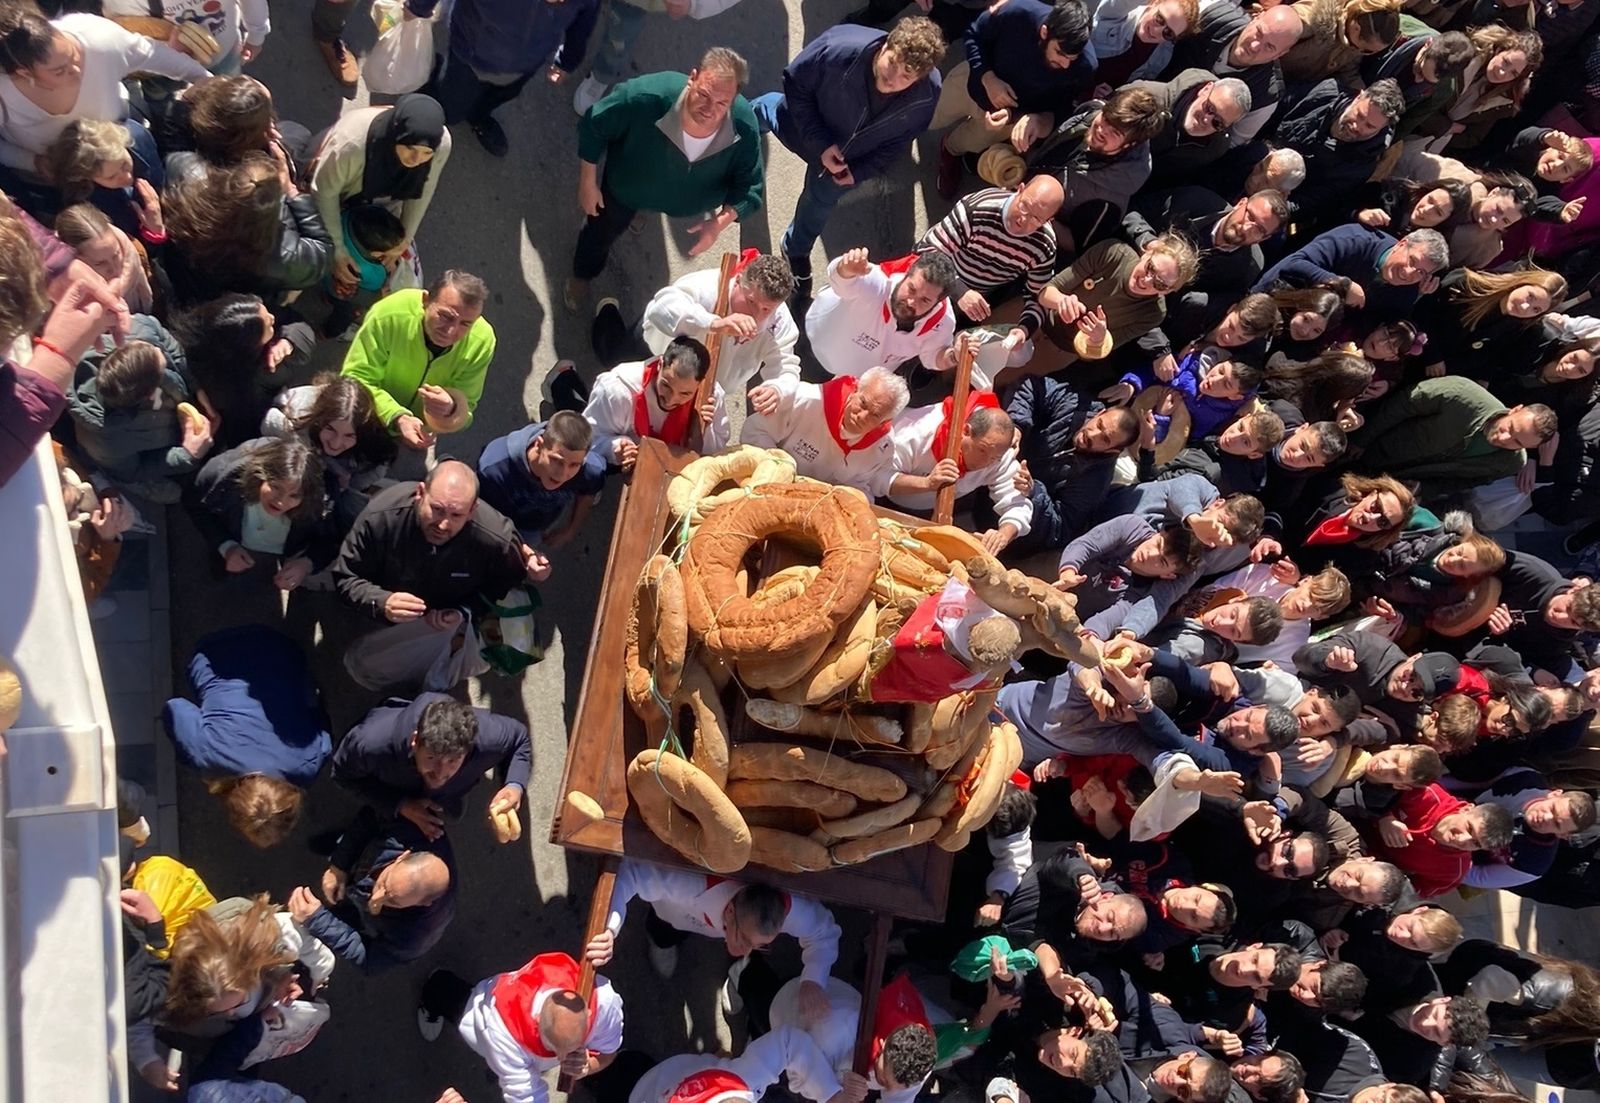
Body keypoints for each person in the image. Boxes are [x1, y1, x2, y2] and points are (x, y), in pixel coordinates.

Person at [754, 18, 944, 294]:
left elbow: (899, 142)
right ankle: (743, 120)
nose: (893, 79)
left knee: (819, 204)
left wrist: (860, 171)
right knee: (769, 111)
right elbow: (795, 84)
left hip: (845, 163)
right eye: (892, 63)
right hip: (803, 128)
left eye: (906, 76)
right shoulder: (837, 48)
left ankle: (795, 248)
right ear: (886, 44)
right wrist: (821, 144)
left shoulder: (927, 95)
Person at [568, 48, 763, 309]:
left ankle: (644, 209)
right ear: (692, 77)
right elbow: (595, 125)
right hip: (625, 189)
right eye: (703, 95)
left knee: (645, 205)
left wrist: (718, 223)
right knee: (599, 234)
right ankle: (582, 274)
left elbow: (750, 185)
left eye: (721, 104)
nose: (709, 109)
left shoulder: (744, 126)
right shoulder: (646, 96)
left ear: (734, 100)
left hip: (681, 202)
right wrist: (587, 182)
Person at [331, 461, 551, 685]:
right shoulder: (380, 518)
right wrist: (381, 602)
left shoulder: (497, 540)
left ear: (472, 510)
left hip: (450, 615)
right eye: (437, 509)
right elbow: (345, 577)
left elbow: (505, 586)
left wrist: (463, 612)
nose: (443, 525)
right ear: (420, 493)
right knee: (370, 664)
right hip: (388, 606)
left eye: (456, 515)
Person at [587, 859, 842, 1017]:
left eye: (760, 946)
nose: (745, 951)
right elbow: (630, 872)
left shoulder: (794, 911)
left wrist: (813, 980)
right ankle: (661, 942)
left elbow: (823, 933)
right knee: (664, 932)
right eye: (744, 937)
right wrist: (609, 927)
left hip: (704, 921)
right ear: (730, 911)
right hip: (672, 913)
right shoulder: (688, 881)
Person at [162, 625, 331, 848]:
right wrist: (194, 751)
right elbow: (175, 707)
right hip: (214, 651)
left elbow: (322, 729)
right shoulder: (210, 757)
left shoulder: (307, 768)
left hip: (283, 647)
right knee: (189, 753)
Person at [0, 8, 207, 180]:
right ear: (24, 73)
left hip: (123, 142)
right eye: (60, 71)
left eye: (75, 55)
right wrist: (33, 162)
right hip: (59, 174)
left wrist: (205, 79)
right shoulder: (4, 91)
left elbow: (152, 54)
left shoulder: (96, 36)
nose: (77, 70)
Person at [930, 0, 1095, 197]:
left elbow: (1066, 108)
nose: (1065, 64)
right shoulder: (1018, 12)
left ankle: (950, 150)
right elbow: (974, 34)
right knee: (929, 115)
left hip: (1008, 118)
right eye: (1060, 53)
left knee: (968, 143)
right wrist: (987, 77)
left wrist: (1038, 119)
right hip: (972, 83)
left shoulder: (1086, 67)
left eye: (1072, 58)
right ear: (1044, 32)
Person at [415, 951, 625, 1101]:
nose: (564, 1059)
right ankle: (434, 990)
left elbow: (608, 1053)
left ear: (587, 1015)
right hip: (486, 1017)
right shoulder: (503, 1036)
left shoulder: (605, 1003)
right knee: (459, 1006)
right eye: (556, 1049)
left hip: (505, 990)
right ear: (537, 1022)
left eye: (576, 1045)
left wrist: (587, 1067)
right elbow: (526, 1095)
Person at [590, 250, 799, 394]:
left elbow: (786, 365)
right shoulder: (707, 286)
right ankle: (607, 312)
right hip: (655, 352)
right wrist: (713, 323)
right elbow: (661, 308)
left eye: (766, 309)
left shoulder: (779, 322)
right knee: (614, 358)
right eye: (751, 301)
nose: (756, 315)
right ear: (738, 282)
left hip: (700, 386)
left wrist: (778, 389)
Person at [331, 693, 531, 838]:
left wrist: (514, 785)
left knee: (450, 809)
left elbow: (520, 739)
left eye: (453, 760)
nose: (441, 773)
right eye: (431, 758)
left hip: (450, 793)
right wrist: (399, 804)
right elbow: (343, 775)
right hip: (395, 787)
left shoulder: (488, 736)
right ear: (415, 741)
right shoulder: (370, 745)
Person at [340, 270, 496, 452]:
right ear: (425, 300)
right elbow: (354, 378)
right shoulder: (389, 315)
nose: (451, 331)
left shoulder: (483, 341)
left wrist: (451, 409)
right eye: (446, 317)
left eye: (466, 324)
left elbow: (467, 406)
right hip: (364, 416)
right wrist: (397, 416)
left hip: (417, 430)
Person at [417, 0, 598, 156]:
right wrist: (420, 7)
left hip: (525, 65)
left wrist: (566, 61)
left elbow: (582, 25)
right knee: (451, 107)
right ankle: (432, 99)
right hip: (470, 52)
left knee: (501, 95)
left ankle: (478, 116)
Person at [288, 807, 457, 972]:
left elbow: (371, 958)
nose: (375, 897)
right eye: (384, 883)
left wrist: (317, 920)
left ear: (423, 903)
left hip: (380, 920)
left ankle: (350, 915)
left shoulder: (414, 935)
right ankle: (339, 845)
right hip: (365, 859)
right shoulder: (414, 829)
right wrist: (339, 865)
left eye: (393, 901)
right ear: (403, 856)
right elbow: (372, 816)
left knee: (346, 919)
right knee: (350, 847)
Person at [67, 316, 214, 504]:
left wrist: (196, 388)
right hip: (165, 445)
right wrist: (187, 454)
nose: (156, 349)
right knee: (173, 494)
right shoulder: (106, 443)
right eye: (162, 369)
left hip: (181, 407)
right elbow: (134, 471)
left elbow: (165, 341)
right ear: (151, 394)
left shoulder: (134, 330)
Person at [308, 96, 450, 289]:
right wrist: (338, 248)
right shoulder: (352, 145)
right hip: (336, 184)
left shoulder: (441, 145)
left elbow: (423, 190)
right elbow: (324, 193)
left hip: (377, 191)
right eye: (409, 148)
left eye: (427, 154)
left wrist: (403, 241)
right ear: (395, 133)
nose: (416, 160)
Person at [1351, 377, 1556, 503]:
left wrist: (1424, 489)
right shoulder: (1462, 394)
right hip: (1367, 447)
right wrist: (1362, 439)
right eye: (1510, 428)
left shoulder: (1512, 462)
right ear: (1515, 409)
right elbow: (1402, 405)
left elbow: (1467, 482)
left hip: (1392, 481)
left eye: (1518, 443)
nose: (1504, 438)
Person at [886, 395, 1032, 555]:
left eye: (994, 458)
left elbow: (1017, 505)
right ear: (966, 431)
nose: (985, 463)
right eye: (982, 450)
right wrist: (926, 483)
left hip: (928, 514)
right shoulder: (917, 434)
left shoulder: (998, 454)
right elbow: (877, 477)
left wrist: (1003, 535)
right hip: (885, 503)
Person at [188, 436, 332, 589]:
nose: (280, 502)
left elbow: (331, 540)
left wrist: (306, 564)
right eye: (276, 487)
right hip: (230, 534)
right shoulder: (221, 477)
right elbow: (195, 506)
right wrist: (225, 546)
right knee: (220, 565)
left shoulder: (319, 501)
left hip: (291, 548)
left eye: (294, 495)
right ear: (259, 475)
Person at [740, 368, 909, 497]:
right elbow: (755, 430)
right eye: (863, 403)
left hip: (818, 509)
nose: (863, 416)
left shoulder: (883, 445)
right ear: (855, 390)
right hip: (767, 487)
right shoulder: (807, 399)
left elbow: (862, 484)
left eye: (875, 415)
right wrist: (778, 469)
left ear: (885, 421)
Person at [916, 178, 1062, 325]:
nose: (1023, 219)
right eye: (1024, 206)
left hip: (982, 292)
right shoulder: (977, 208)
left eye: (1036, 219)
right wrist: (960, 291)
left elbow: (1037, 293)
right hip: (941, 274)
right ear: (1020, 189)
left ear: (1049, 220)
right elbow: (926, 251)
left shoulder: (1044, 245)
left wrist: (1024, 330)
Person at [805, 249, 960, 382]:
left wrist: (954, 356)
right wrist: (846, 267)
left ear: (938, 303)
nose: (912, 302)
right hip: (813, 346)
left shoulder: (943, 323)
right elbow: (841, 282)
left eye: (925, 300)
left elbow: (933, 357)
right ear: (906, 275)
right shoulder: (876, 282)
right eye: (911, 289)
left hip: (856, 382)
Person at [581, 336, 728, 469]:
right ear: (660, 364)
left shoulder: (711, 397)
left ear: (699, 384)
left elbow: (720, 450)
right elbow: (590, 437)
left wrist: (706, 430)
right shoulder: (617, 392)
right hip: (622, 462)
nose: (671, 400)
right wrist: (616, 447)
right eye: (666, 386)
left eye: (685, 394)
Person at [1272, 78, 1404, 222]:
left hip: (1281, 199)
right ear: (1358, 97)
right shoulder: (1325, 92)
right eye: (1359, 115)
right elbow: (1276, 109)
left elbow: (1313, 202)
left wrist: (1275, 210)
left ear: (1381, 129)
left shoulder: (1362, 165)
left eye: (1369, 127)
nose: (1357, 126)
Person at [1124, 186, 1287, 301]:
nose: (1245, 227)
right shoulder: (1196, 200)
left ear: (1264, 239)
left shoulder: (1248, 268)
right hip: (1125, 262)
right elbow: (1133, 210)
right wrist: (1148, 242)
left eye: (1258, 229)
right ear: (1241, 203)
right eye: (1250, 216)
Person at [1254, 224, 1448, 320]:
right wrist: (1343, 285)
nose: (1409, 272)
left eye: (1421, 272)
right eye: (1411, 260)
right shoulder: (1356, 239)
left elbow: (1380, 323)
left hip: (1320, 330)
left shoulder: (1408, 291)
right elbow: (1295, 263)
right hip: (1276, 297)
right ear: (1402, 244)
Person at [1362, 781, 1515, 897]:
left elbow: (1410, 895)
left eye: (1475, 843)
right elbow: (1373, 782)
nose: (1462, 840)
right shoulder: (1426, 792)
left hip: (1363, 867)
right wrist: (1384, 815)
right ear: (1467, 809)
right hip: (1354, 816)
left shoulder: (1453, 871)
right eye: (1469, 828)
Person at [476, 412, 606, 546]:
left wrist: (570, 530)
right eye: (557, 461)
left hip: (538, 524)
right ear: (539, 445)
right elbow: (480, 515)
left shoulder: (590, 469)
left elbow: (589, 491)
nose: (562, 474)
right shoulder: (494, 469)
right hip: (506, 525)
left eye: (574, 465)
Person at [628, 1027, 859, 1103]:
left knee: (629, 1066)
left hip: (658, 1077)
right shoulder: (743, 1076)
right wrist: (828, 1093)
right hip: (643, 1085)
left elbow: (789, 1042)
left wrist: (830, 1094)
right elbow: (789, 1042)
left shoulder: (742, 1077)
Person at [1132, 70, 1254, 192]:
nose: (1206, 119)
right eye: (1209, 108)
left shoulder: (1214, 147)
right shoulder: (1145, 96)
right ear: (1205, 89)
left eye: (1218, 122)